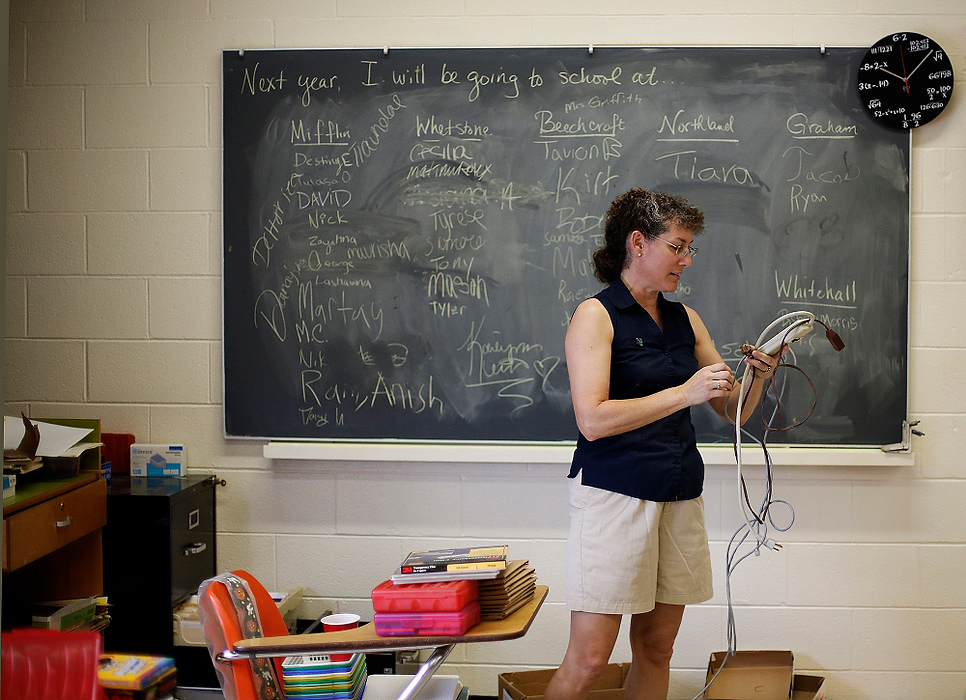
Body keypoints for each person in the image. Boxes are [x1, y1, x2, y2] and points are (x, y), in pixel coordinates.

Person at [544, 188, 781, 700]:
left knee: (657, 647)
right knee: (589, 660)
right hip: (614, 495)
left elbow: (731, 410)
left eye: (689, 247)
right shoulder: (596, 315)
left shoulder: (685, 319)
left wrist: (758, 377)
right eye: (677, 246)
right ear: (637, 243)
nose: (687, 259)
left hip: (678, 493)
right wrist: (684, 393)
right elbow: (592, 419)